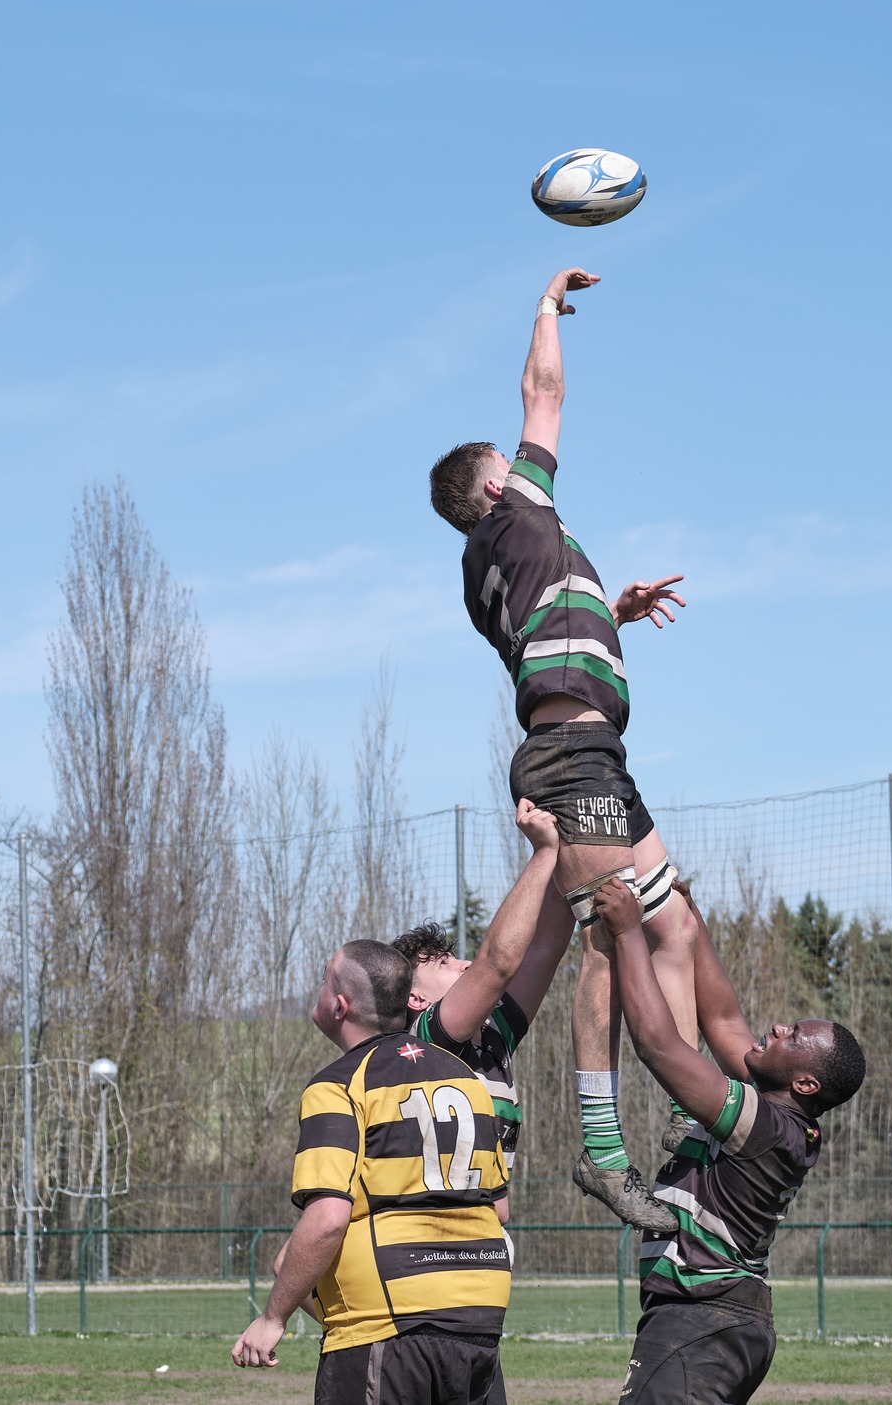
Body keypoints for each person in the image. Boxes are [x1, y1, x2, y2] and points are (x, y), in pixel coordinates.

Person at [425, 267, 701, 1231]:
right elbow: (545, 391)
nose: (531, 458)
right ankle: (604, 1150)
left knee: (676, 927)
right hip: (571, 756)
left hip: (595, 754)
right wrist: (545, 308)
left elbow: (548, 630)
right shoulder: (515, 512)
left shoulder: (494, 559)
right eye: (516, 460)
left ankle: (689, 1114)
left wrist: (606, 609)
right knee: (614, 925)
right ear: (496, 484)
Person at [589, 877, 866, 1405]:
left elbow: (659, 1046)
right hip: (726, 1321)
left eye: (794, 1035)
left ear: (805, 1084)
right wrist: (690, 922)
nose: (780, 1026)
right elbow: (720, 1017)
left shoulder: (764, 1126)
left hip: (701, 1318)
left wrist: (627, 933)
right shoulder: (787, 1120)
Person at [233, 941, 510, 1405]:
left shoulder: (337, 1085)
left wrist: (272, 1318)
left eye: (325, 980)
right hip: (479, 1321)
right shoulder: (465, 1078)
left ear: (339, 1004)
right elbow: (498, 1209)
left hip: (387, 1329)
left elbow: (328, 1218)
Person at [393, 799, 571, 1219]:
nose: (465, 964)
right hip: (434, 1240)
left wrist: (570, 847)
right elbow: (498, 962)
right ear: (416, 1000)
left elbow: (544, 948)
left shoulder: (493, 1037)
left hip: (483, 1236)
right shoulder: (428, 1041)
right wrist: (543, 854)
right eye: (443, 964)